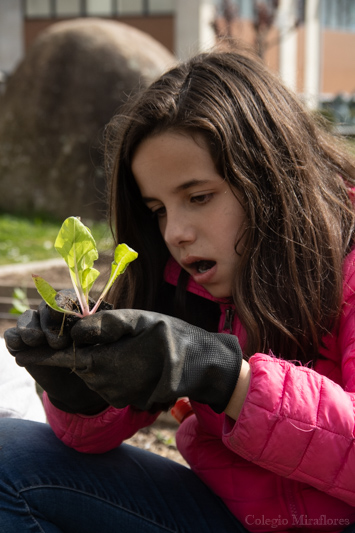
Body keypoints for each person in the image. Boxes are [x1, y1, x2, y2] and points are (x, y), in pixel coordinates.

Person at [1, 46, 355, 532]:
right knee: (9, 458)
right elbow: (87, 443)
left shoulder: (349, 261)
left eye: (199, 197)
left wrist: (227, 379)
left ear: (271, 178)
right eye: (159, 209)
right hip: (228, 518)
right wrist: (81, 394)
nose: (176, 233)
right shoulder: (182, 284)